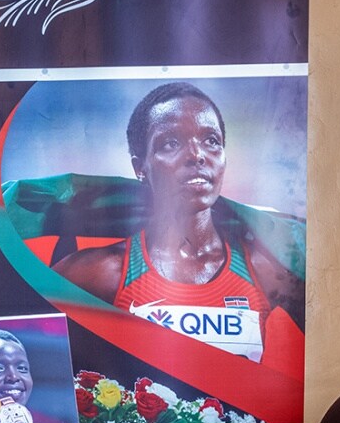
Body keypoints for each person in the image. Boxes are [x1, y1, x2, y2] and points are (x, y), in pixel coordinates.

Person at [52, 82, 305, 367]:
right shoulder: (100, 273)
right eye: (171, 142)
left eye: (211, 141)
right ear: (140, 167)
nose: (197, 155)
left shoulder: (264, 269)